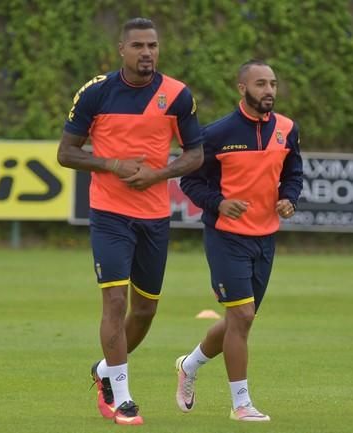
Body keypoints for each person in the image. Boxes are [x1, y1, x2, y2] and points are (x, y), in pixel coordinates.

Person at [56, 17, 203, 426]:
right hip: (109, 214)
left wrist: (158, 174)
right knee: (114, 301)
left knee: (145, 311)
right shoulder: (96, 92)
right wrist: (111, 164)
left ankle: (104, 371)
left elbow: (196, 154)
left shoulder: (177, 95)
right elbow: (66, 153)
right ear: (121, 49)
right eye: (138, 45)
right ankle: (122, 398)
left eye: (153, 45)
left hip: (155, 217)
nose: (147, 53)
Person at [176, 60, 303, 422]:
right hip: (226, 237)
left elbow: (294, 172)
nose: (269, 91)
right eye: (260, 84)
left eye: (273, 84)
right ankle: (241, 403)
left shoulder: (288, 130)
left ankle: (189, 365)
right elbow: (190, 182)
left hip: (266, 239)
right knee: (242, 314)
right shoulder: (216, 134)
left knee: (240, 321)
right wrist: (220, 204)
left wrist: (289, 197)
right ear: (241, 89)